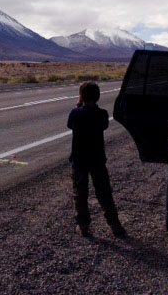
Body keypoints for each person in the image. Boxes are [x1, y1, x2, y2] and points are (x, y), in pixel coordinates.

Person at [67, 81, 126, 238]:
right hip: (97, 159)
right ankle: (114, 224)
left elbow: (70, 125)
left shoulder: (76, 113)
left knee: (80, 194)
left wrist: (78, 106)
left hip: (79, 160)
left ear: (81, 96)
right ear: (97, 96)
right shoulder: (102, 114)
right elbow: (104, 126)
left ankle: (83, 225)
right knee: (104, 193)